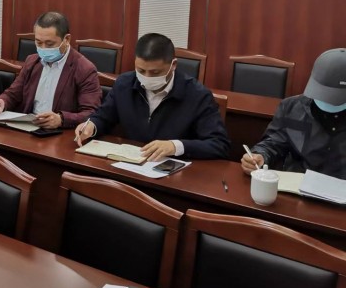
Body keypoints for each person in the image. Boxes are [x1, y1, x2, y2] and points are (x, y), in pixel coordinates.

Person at [75, 33, 230, 160]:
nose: (147, 77)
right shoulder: (124, 84)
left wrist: (175, 146)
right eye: (141, 70)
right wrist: (91, 125)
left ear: (173, 65)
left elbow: (219, 144)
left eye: (155, 72)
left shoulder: (197, 95)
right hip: (130, 164)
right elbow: (104, 117)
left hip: (173, 173)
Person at [241, 48, 346, 179]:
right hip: (297, 183)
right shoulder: (292, 108)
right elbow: (274, 142)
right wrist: (261, 155)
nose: (330, 102)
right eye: (326, 94)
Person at [0, 11, 101, 129]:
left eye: (50, 44)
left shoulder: (84, 69)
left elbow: (91, 113)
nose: (43, 48)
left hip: (60, 132)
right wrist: (2, 101)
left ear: (67, 39)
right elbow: (13, 94)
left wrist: (61, 119)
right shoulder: (32, 61)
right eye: (39, 42)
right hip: (29, 127)